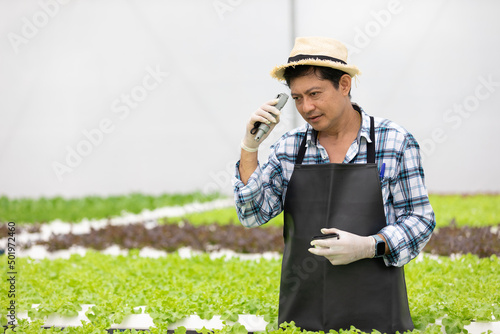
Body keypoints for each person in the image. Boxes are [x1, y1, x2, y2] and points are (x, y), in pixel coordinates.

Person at [232, 36, 435, 334]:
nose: (307, 107)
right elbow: (252, 215)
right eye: (298, 97)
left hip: (378, 313)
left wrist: (371, 245)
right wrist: (249, 148)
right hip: (303, 313)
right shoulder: (290, 148)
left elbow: (420, 219)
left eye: (315, 93)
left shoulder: (393, 141)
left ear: (344, 85)